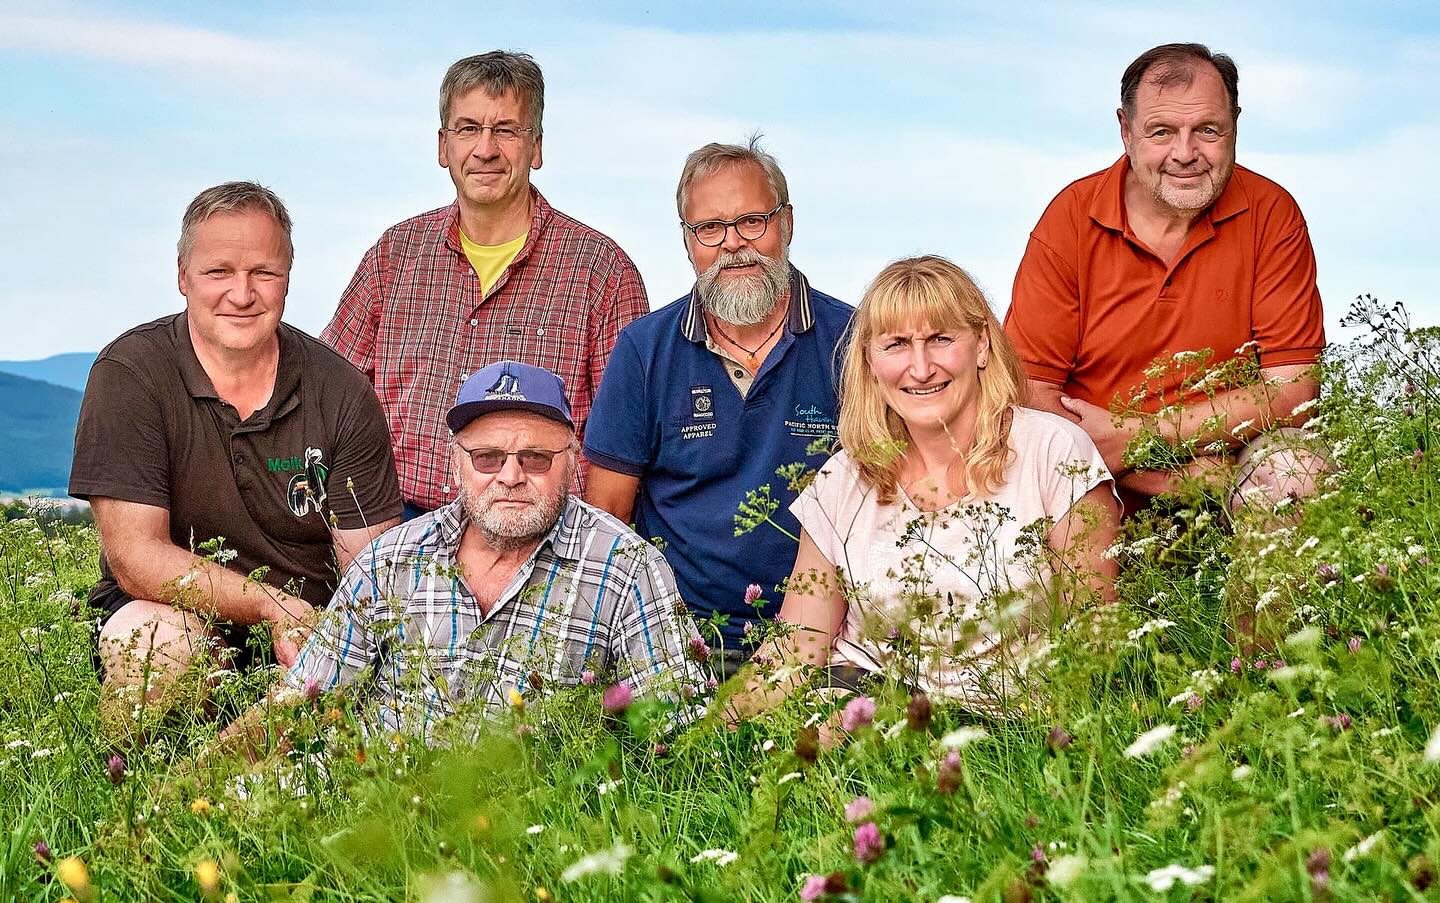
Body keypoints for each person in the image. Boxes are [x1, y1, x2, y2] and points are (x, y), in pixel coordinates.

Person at [70, 181, 403, 742]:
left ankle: (251, 767)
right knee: (151, 644)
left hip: (307, 634)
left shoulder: (342, 391)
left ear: (288, 277)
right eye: (218, 272)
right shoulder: (131, 373)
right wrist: (272, 606)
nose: (242, 294)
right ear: (183, 276)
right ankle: (134, 780)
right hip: (174, 613)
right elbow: (135, 557)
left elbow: (370, 572)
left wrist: (328, 647)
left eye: (263, 272)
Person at [731, 256, 1120, 719]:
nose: (920, 368)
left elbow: (1095, 636)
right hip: (864, 702)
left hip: (1008, 720)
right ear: (870, 361)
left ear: (981, 345)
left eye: (940, 339)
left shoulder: (1054, 451)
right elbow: (796, 648)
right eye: (896, 344)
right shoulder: (843, 478)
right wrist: (705, 737)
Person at [260, 361, 711, 739]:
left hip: (543, 808)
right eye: (487, 458)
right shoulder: (389, 560)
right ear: (456, 462)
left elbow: (681, 732)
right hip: (381, 802)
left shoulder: (627, 567)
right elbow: (302, 703)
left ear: (573, 460)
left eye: (536, 458)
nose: (511, 476)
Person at [1004, 43, 1327, 516]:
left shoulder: (1271, 213)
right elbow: (1029, 392)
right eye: (1162, 132)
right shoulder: (1070, 218)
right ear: (1126, 130)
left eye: (1207, 130)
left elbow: (1295, 392)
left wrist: (1140, 438)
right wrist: (1157, 475)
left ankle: (1253, 572)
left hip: (1228, 465)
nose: (1185, 153)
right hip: (1093, 467)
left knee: (1295, 474)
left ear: (1235, 124)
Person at [322, 51, 648, 516]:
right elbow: (329, 393)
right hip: (395, 527)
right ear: (443, 146)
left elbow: (622, 445)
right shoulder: (393, 257)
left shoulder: (602, 271)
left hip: (537, 530)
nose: (486, 149)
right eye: (468, 128)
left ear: (536, 147)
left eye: (506, 130)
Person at [583, 138, 852, 676]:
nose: (734, 244)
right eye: (710, 228)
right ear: (688, 241)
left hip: (824, 643)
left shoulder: (854, 340)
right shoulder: (644, 350)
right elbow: (607, 517)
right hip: (681, 641)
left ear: (787, 223)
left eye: (752, 221)